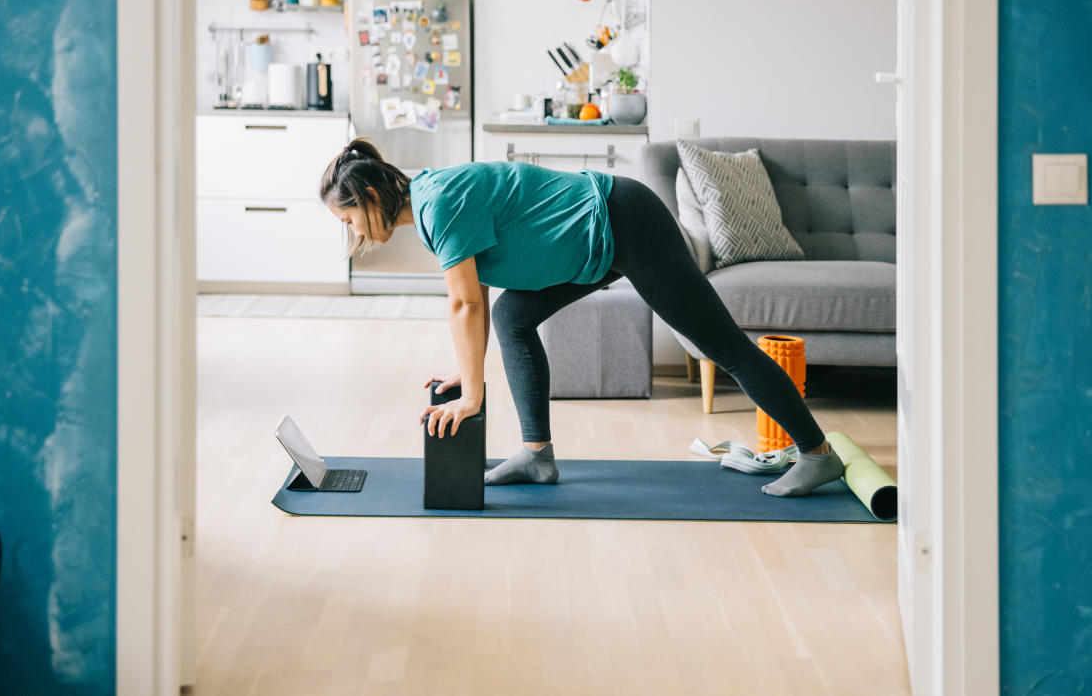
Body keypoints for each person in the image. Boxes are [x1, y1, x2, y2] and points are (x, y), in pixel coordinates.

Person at [319, 138, 844, 496]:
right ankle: (536, 455)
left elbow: (464, 303)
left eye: (350, 219)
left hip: (625, 221)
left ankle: (816, 452)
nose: (356, 234)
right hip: (591, 245)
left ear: (368, 196)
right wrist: (467, 370)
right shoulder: (434, 202)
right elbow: (473, 293)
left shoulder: (439, 203)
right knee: (513, 317)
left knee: (721, 345)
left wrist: (474, 396)